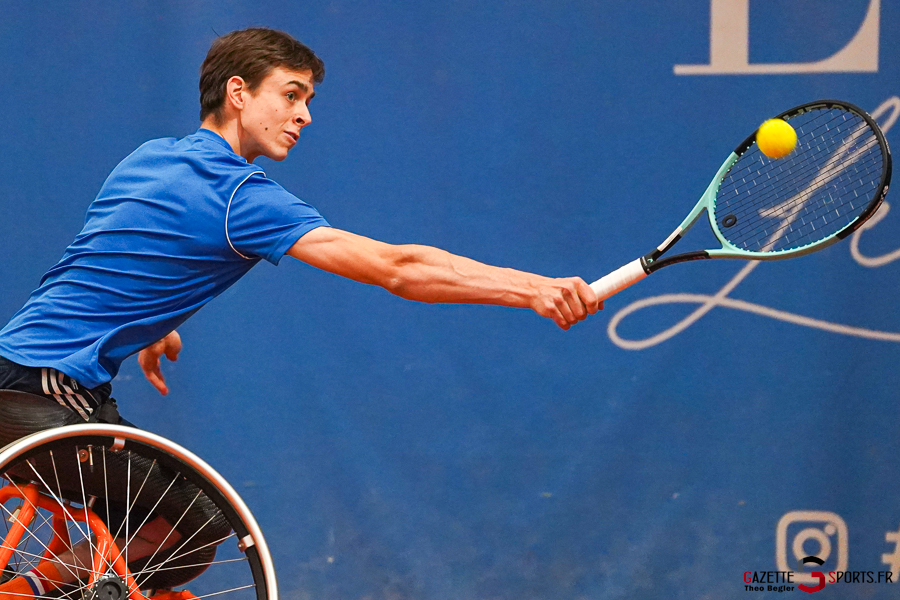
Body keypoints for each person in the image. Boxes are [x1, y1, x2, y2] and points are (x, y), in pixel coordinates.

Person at [0, 27, 599, 596]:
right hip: (44, 392)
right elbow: (398, 267)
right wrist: (532, 289)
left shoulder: (150, 157)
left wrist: (154, 324)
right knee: (195, 525)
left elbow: (115, 253)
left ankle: (33, 590)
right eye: (291, 95)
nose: (305, 115)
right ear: (238, 92)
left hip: (18, 378)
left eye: (307, 100)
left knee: (173, 523)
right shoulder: (241, 196)